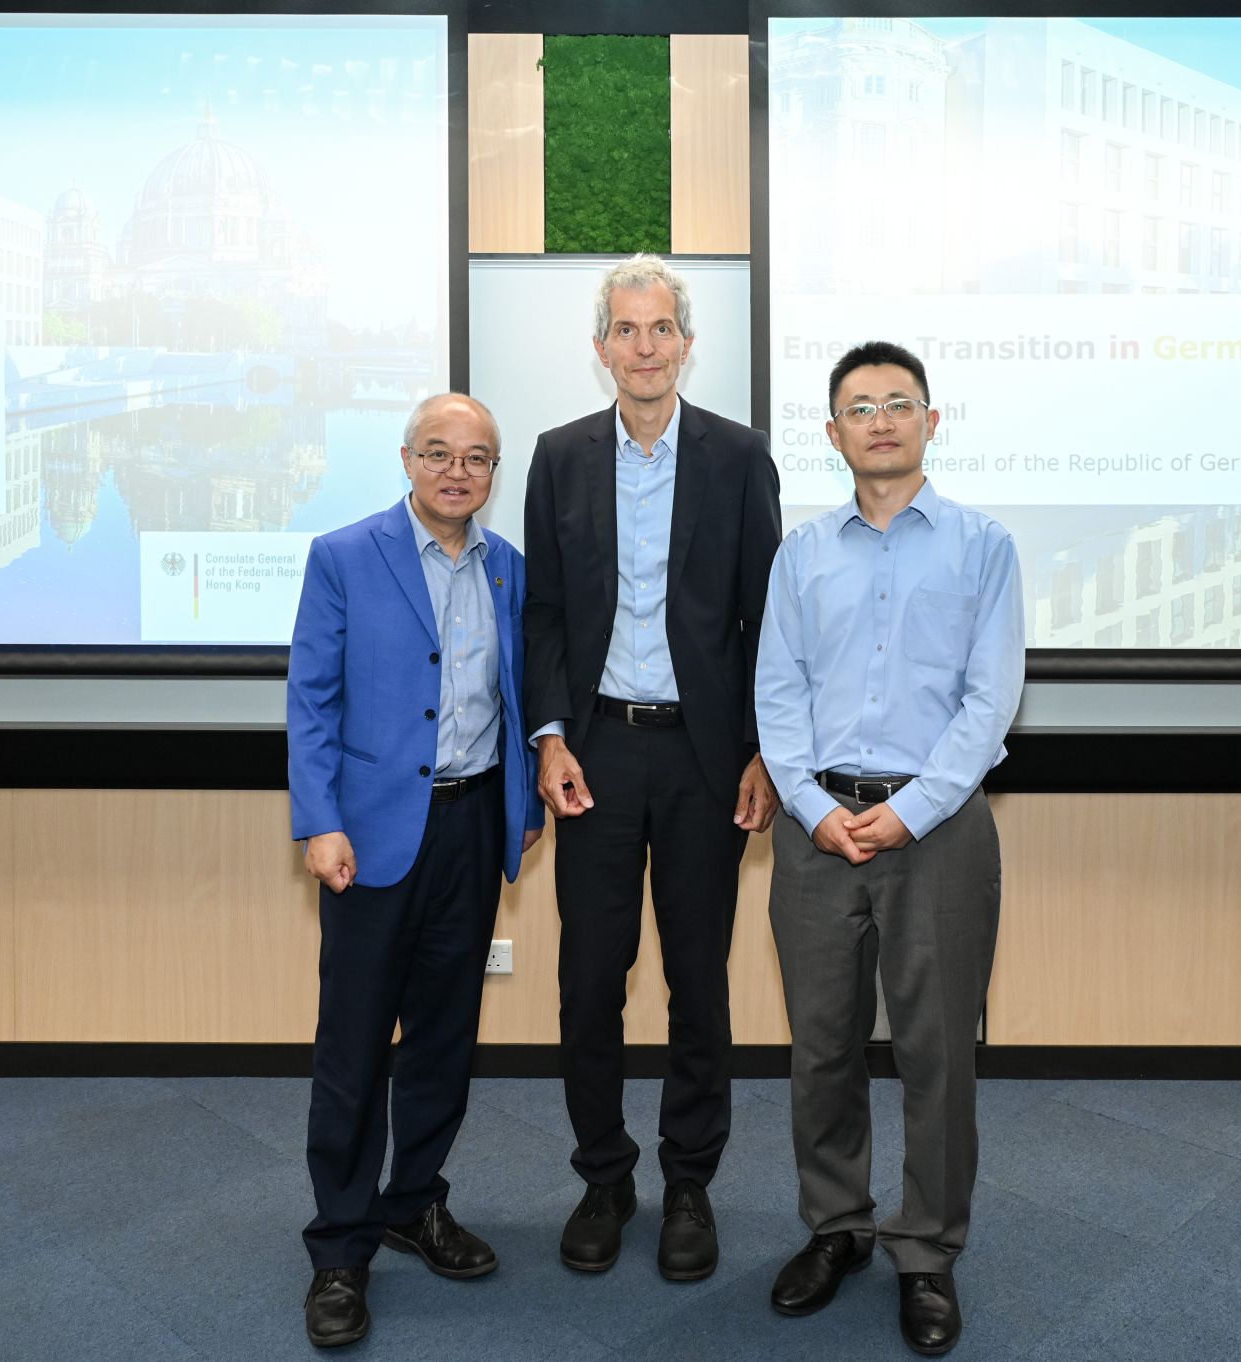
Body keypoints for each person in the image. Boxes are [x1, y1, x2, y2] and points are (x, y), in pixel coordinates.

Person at [753, 341, 1024, 1356]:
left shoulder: (981, 546)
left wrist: (910, 811)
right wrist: (809, 805)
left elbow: (989, 700)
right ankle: (836, 1228)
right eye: (858, 407)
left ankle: (925, 1252)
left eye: (898, 403)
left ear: (929, 422)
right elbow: (775, 692)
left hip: (938, 830)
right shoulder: (800, 555)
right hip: (817, 830)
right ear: (831, 435)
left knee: (936, 1052)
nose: (879, 420)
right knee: (820, 1046)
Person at [522, 254, 783, 1280]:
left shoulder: (735, 456)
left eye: (659, 328)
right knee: (590, 978)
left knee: (696, 979)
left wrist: (762, 748)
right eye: (624, 331)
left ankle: (687, 1182)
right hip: (593, 754)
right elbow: (542, 612)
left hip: (701, 758)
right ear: (600, 350)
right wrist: (547, 734)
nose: (642, 347)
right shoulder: (557, 458)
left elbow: (766, 617)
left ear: (685, 342)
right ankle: (602, 1174)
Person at [286, 392, 545, 1349]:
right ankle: (340, 1248)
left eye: (477, 458)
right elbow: (311, 700)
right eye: (438, 453)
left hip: (473, 829)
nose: (456, 472)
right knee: (353, 1047)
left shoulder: (510, 571)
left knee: (443, 1037)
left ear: (492, 473)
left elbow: (519, 698)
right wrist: (319, 822)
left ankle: (414, 1202)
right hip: (371, 834)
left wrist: (519, 807)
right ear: (406, 460)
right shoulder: (345, 556)